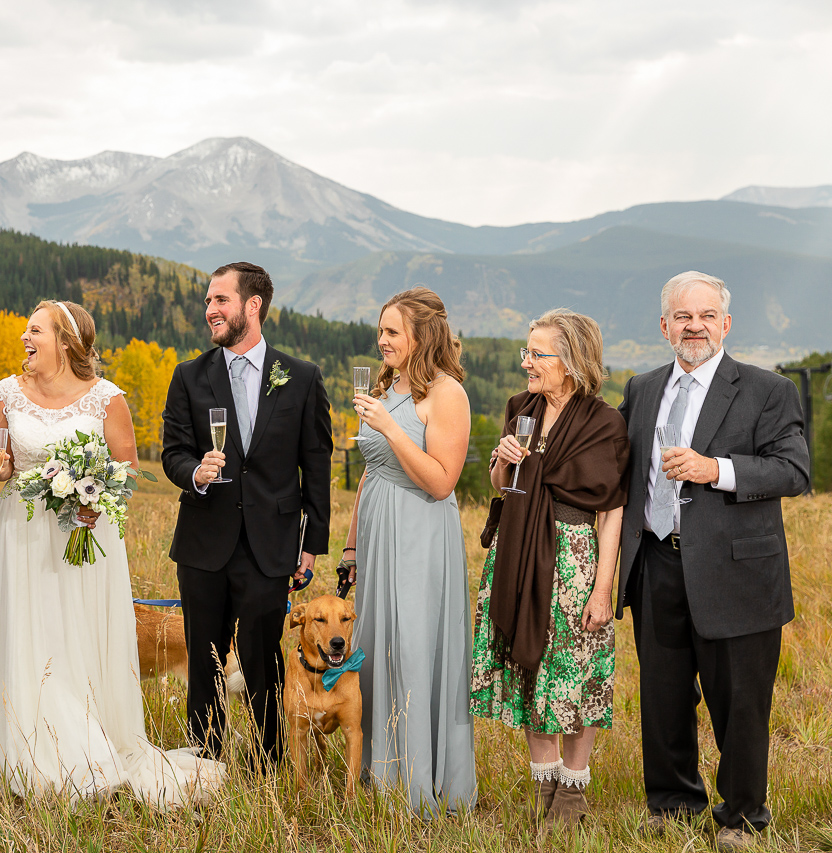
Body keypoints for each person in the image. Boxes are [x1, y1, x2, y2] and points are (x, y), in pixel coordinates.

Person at [0, 300, 224, 806]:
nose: (24, 337)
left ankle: (90, 744)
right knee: (27, 634)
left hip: (86, 534)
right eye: (26, 329)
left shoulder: (105, 398)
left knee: (77, 640)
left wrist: (91, 493)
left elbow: (128, 469)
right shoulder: (5, 394)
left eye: (34, 329)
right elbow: (3, 468)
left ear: (65, 340)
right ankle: (25, 750)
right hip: (21, 535)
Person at [615, 272, 808, 851]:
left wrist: (714, 469)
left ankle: (744, 817)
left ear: (725, 324)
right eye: (682, 316)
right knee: (663, 694)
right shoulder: (642, 387)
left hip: (737, 570)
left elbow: (794, 471)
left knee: (740, 701)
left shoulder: (766, 390)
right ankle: (672, 803)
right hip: (656, 563)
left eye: (705, 315)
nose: (693, 325)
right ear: (664, 326)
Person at [161, 261, 333, 766]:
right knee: (205, 660)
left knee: (263, 658)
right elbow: (172, 452)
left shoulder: (300, 378)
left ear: (252, 306)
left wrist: (311, 542)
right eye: (208, 301)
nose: (210, 310)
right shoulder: (189, 377)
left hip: (270, 544)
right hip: (203, 542)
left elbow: (315, 467)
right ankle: (203, 763)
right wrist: (196, 471)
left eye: (220, 300)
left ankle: (269, 760)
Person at [470, 309, 629, 826]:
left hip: (575, 559)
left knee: (575, 672)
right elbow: (501, 485)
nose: (527, 364)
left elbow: (611, 511)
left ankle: (573, 792)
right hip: (518, 548)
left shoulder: (605, 422)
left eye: (538, 354)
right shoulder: (522, 406)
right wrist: (501, 458)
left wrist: (603, 586)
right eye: (527, 352)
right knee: (528, 666)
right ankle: (545, 784)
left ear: (573, 361)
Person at [343, 287, 476, 811]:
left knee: (415, 648)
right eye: (380, 331)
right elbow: (370, 473)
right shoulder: (387, 384)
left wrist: (393, 428)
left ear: (422, 335)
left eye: (392, 332)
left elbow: (442, 482)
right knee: (377, 648)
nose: (382, 341)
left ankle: (420, 784)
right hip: (377, 530)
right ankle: (382, 772)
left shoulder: (448, 393)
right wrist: (352, 548)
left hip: (421, 534)